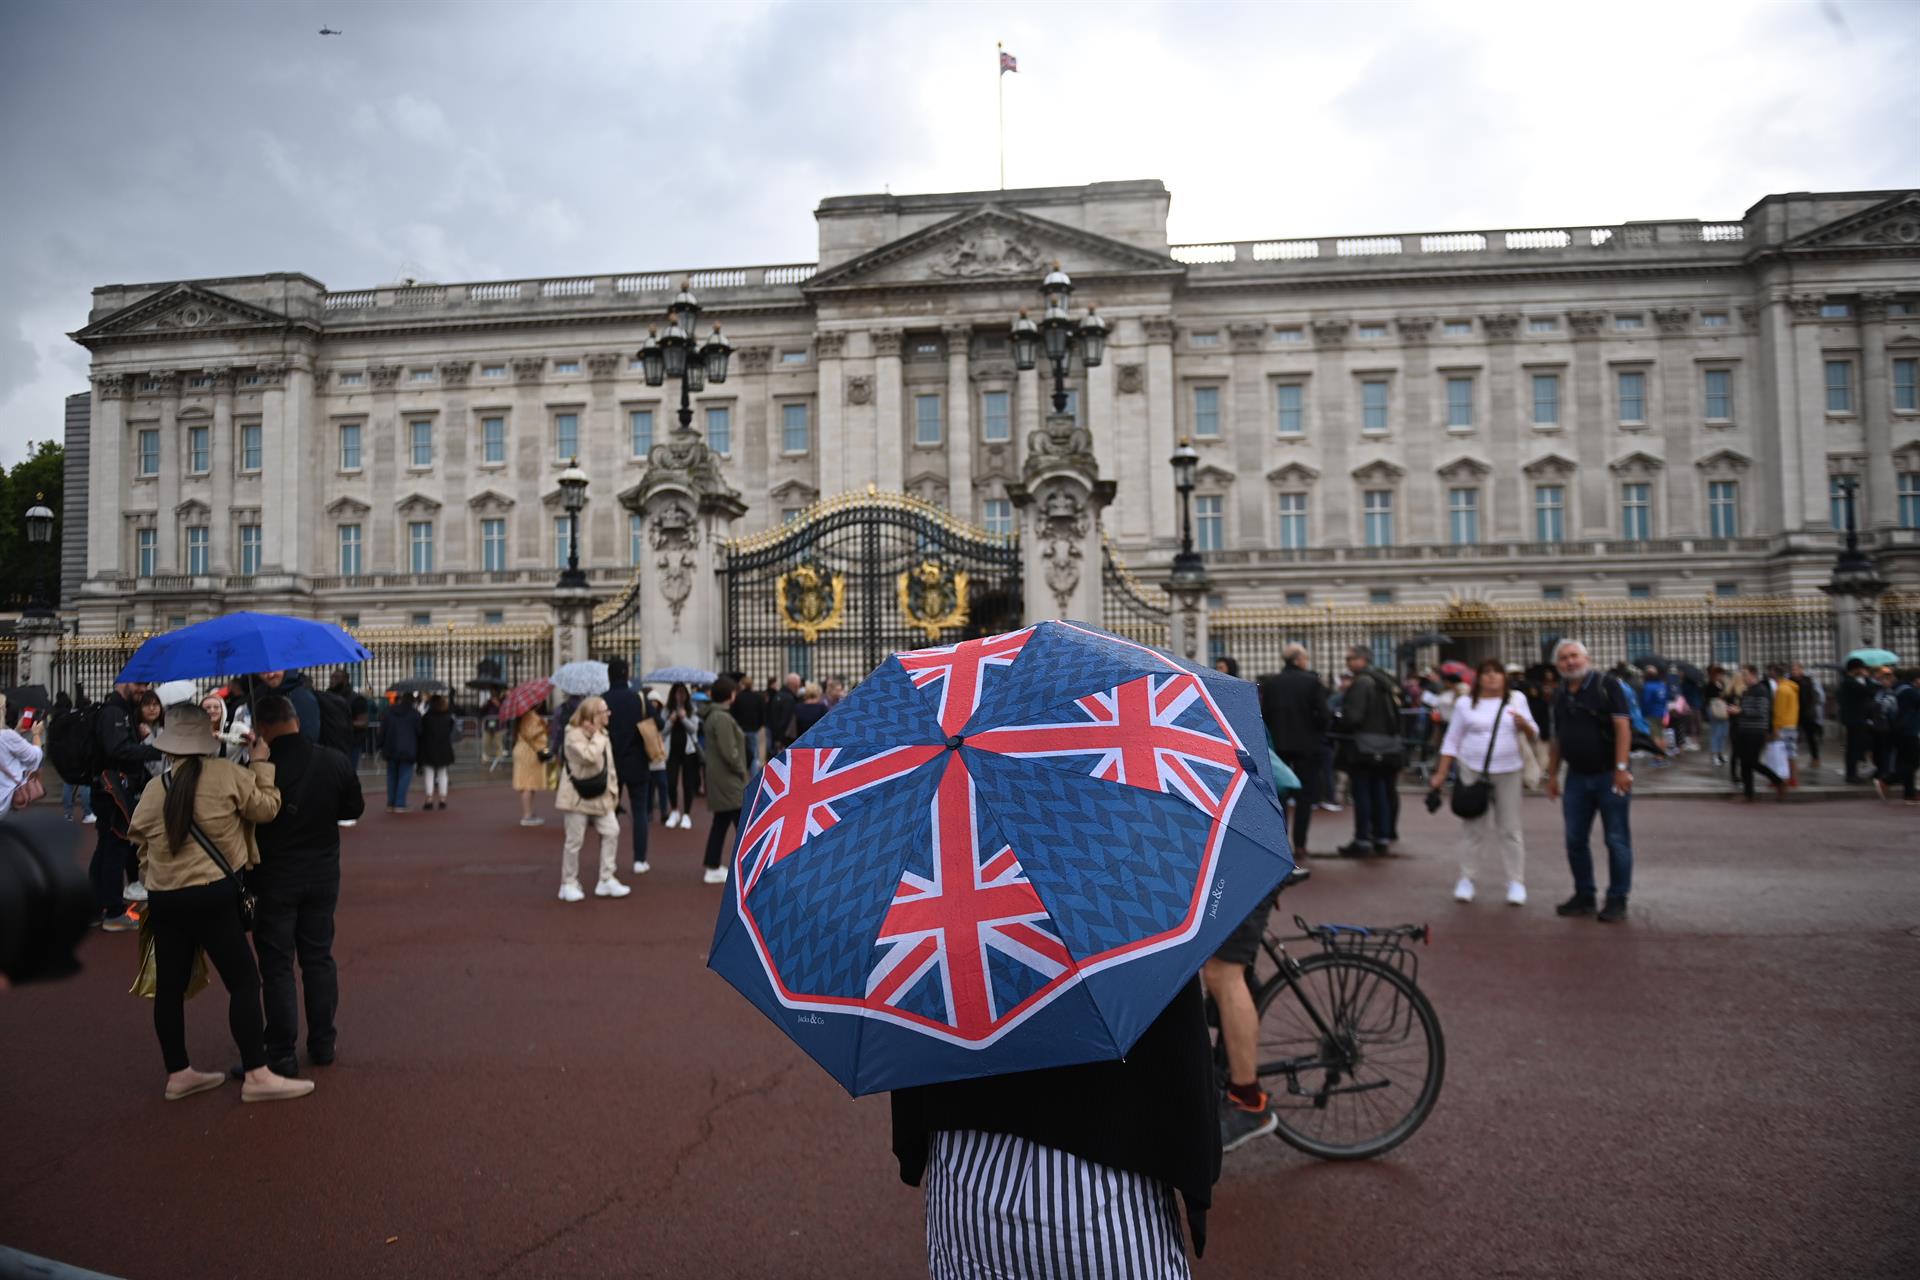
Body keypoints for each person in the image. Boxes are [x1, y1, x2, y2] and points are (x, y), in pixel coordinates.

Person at [892, 979, 1218, 1276]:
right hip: (1101, 1189)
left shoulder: (926, 914)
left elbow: (908, 1031)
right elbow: (1183, 1061)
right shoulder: (1140, 917)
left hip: (963, 1179)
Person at [125, 703, 312, 1103]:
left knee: (170, 989)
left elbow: (138, 839)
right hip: (212, 895)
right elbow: (266, 808)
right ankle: (258, 1074)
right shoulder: (227, 774)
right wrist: (261, 763)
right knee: (244, 982)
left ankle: (178, 1072)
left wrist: (153, 874)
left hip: (164, 898)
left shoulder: (156, 788)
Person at [248, 695, 363, 1076]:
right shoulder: (333, 760)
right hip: (322, 872)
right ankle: (323, 1041)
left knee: (277, 965)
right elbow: (352, 809)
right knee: (318, 958)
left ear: (263, 728)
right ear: (296, 720)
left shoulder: (260, 769)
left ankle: (281, 1050)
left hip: (275, 875)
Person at [1428, 659, 1538, 906]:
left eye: (1496, 673)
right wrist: (1441, 772)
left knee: (1510, 828)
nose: (1491, 678)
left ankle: (1516, 881)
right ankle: (1467, 878)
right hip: (1472, 770)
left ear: (1504, 677)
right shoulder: (1466, 703)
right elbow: (1452, 739)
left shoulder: (1516, 699)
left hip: (1509, 770)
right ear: (1478, 678)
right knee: (1472, 828)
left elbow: (1535, 731)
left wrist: (1525, 726)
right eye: (1486, 673)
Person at [1543, 640, 1634, 924]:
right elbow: (1557, 738)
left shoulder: (1607, 686)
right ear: (1557, 665)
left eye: (1574, 656)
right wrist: (1552, 774)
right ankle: (1585, 894)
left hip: (1609, 773)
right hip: (1576, 777)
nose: (1569, 662)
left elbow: (1623, 727)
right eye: (1563, 659)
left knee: (1616, 839)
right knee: (1574, 840)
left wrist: (1622, 767)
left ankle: (1617, 897)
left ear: (1587, 658)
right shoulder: (1560, 694)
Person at [91, 679, 161, 930]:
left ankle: (96, 905)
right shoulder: (114, 712)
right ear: (125, 683)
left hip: (112, 788)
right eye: (140, 685)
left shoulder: (121, 711)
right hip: (113, 790)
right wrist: (155, 750)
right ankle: (113, 911)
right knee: (115, 848)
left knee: (106, 848)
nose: (143, 690)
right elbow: (117, 749)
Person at [1259, 643, 1329, 859]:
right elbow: (1324, 715)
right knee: (1304, 797)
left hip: (1279, 746)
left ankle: (1281, 842)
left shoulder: (1272, 684)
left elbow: (1264, 715)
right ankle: (1300, 843)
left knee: (1279, 795)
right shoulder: (1312, 682)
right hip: (1307, 746)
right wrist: (1317, 733)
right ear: (1298, 660)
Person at [556, 696, 627, 902]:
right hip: (577, 796)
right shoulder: (573, 735)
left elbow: (610, 768)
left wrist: (613, 794)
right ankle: (568, 882)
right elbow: (589, 757)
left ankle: (606, 878)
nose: (608, 714)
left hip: (601, 795)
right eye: (604, 710)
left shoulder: (602, 734)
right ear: (592, 715)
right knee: (574, 840)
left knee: (612, 831)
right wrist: (596, 737)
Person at [1334, 646, 1401, 857]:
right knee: (1380, 791)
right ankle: (1381, 835)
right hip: (1385, 744)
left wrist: (1340, 720)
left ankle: (1362, 838)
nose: (1347, 662)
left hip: (1364, 745)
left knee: (1362, 792)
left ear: (1362, 660)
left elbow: (1353, 717)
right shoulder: (1382, 681)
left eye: (1350, 658)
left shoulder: (1362, 682)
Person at [601, 658, 652, 876]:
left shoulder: (602, 700)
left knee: (608, 813)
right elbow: (656, 723)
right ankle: (639, 860)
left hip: (611, 764)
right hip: (637, 763)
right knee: (640, 812)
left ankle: (607, 860)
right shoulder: (638, 699)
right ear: (627, 673)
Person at [700, 676, 748, 886]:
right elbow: (730, 752)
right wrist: (741, 771)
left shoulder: (716, 716)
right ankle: (749, 865)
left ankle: (712, 865)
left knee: (721, 823)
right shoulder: (722, 718)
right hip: (728, 778)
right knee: (743, 823)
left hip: (720, 777)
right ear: (730, 695)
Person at [1728, 667, 1785, 802]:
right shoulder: (1748, 691)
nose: (1743, 678)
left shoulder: (1761, 690)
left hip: (1756, 731)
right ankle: (1748, 793)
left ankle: (1778, 781)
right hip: (1744, 730)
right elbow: (1747, 709)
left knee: (1752, 761)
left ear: (1753, 675)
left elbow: (1760, 711)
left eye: (1745, 675)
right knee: (1745, 763)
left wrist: (1740, 711)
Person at [0, 693, 47, 817]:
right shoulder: (6, 736)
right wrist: (36, 734)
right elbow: (35, 756)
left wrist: (16, 732)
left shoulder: (7, 736)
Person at [663, 683, 701, 830]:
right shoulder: (667, 710)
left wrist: (684, 718)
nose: (680, 696)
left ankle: (686, 814)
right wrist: (671, 720)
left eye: (683, 693)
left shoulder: (692, 709)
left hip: (688, 751)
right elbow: (662, 731)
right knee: (671, 782)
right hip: (671, 751)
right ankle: (674, 810)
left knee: (687, 783)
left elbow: (694, 729)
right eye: (677, 693)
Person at [379, 693, 422, 813]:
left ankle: (391, 801)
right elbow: (420, 732)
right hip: (408, 748)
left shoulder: (389, 712)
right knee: (404, 775)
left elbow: (383, 730)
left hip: (391, 747)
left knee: (391, 775)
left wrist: (380, 744)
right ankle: (400, 803)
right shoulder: (415, 714)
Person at [1837, 658, 1876, 784]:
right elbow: (1869, 691)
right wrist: (1867, 678)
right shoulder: (1850, 682)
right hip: (1855, 719)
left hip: (1853, 719)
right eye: (1861, 668)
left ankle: (1853, 772)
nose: (1863, 670)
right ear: (1855, 669)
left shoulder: (1847, 681)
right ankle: (1852, 774)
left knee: (1854, 747)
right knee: (1854, 747)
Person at [416, 694, 457, 812]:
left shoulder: (426, 718)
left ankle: (429, 799)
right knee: (442, 774)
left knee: (429, 774)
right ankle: (442, 799)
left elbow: (421, 733)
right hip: (443, 748)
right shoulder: (448, 717)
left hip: (429, 748)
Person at [1887, 668, 1920, 805]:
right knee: (1914, 761)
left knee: (1906, 761)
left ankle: (1909, 793)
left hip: (1899, 729)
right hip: (1909, 730)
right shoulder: (1909, 691)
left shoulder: (1898, 688)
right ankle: (1887, 780)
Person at [511, 708, 548, 826]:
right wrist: (543, 727)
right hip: (528, 752)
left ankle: (529, 812)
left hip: (525, 751)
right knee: (527, 783)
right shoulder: (529, 716)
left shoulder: (524, 715)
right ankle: (527, 815)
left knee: (528, 784)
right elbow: (531, 734)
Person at [1869, 666, 1901, 800]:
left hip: (1887, 726)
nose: (1884, 681)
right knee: (1883, 751)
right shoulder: (1880, 691)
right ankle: (1884, 774)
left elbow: (1888, 708)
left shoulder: (1891, 692)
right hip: (1881, 726)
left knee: (1887, 751)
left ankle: (1885, 774)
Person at [1767, 662, 1800, 787]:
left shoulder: (1781, 690)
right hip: (1792, 723)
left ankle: (1780, 778)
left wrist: (1775, 727)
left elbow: (1778, 711)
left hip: (1783, 725)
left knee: (1779, 754)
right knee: (1791, 753)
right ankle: (1793, 778)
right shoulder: (1792, 687)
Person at [1790, 661, 1823, 771]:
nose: (1794, 672)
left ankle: (1815, 758)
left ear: (1801, 670)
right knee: (1793, 737)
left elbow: (1811, 697)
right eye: (1793, 669)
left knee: (1810, 737)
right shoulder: (1790, 681)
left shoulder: (1806, 681)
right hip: (1794, 712)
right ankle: (1792, 760)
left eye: (1796, 669)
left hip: (1806, 713)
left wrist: (1810, 710)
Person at [730, 673, 766, 771]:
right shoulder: (758, 697)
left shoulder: (738, 697)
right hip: (753, 729)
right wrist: (758, 725)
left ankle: (743, 775)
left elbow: (733, 713)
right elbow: (762, 714)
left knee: (741, 754)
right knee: (754, 755)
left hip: (740, 729)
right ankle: (754, 777)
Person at [1638, 667, 1670, 770]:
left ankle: (1657, 758)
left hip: (1652, 713)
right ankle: (1663, 756)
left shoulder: (1648, 686)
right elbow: (1666, 699)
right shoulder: (1661, 685)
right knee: (1661, 735)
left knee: (1655, 736)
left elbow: (1646, 702)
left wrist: (1643, 713)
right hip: (1661, 712)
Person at [1703, 666, 1732, 766]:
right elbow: (1708, 698)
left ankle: (1721, 753)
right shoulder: (1710, 685)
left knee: (1724, 733)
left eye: (1722, 674)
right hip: (1714, 710)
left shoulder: (1723, 684)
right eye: (1720, 674)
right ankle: (1715, 755)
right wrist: (1719, 696)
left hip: (1723, 710)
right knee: (1716, 733)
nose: (1721, 676)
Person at [766, 672, 801, 754]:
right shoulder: (789, 699)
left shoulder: (778, 695)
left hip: (775, 734)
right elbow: (786, 720)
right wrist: (781, 739)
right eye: (797, 686)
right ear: (794, 685)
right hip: (784, 739)